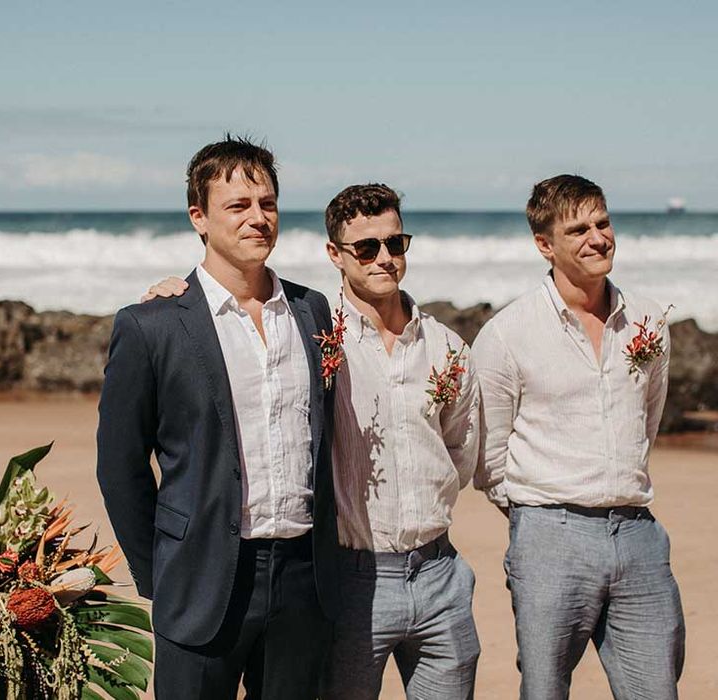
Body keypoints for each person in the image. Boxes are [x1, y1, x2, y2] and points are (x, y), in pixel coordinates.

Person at [147, 183, 481, 699]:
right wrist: (178, 296)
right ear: (335, 255)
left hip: (440, 574)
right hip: (349, 576)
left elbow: (461, 450)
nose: (385, 258)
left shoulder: (447, 346)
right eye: (366, 248)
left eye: (396, 243)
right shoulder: (310, 333)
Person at [96, 136, 339, 700]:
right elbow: (120, 465)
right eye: (238, 206)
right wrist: (162, 573)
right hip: (202, 578)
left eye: (268, 204)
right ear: (199, 218)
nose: (258, 219)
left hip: (303, 576)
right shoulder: (151, 325)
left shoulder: (312, 311)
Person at [472, 174, 685, 699]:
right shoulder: (507, 334)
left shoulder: (648, 321)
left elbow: (645, 421)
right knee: (544, 691)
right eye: (578, 229)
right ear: (545, 245)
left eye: (603, 222)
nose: (597, 237)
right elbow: (488, 457)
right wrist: (538, 517)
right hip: (550, 536)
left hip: (638, 535)